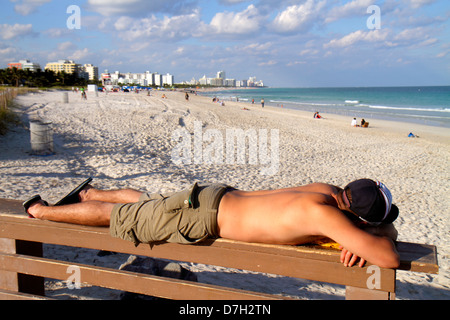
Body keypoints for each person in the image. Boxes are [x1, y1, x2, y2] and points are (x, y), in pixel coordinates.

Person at [23, 178, 400, 268]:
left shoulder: (325, 191)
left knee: (149, 201)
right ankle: (40, 211)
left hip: (216, 194)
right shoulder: (326, 216)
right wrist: (378, 232)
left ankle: (90, 194)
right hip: (204, 216)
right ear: (356, 217)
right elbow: (389, 258)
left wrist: (356, 231)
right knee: (124, 219)